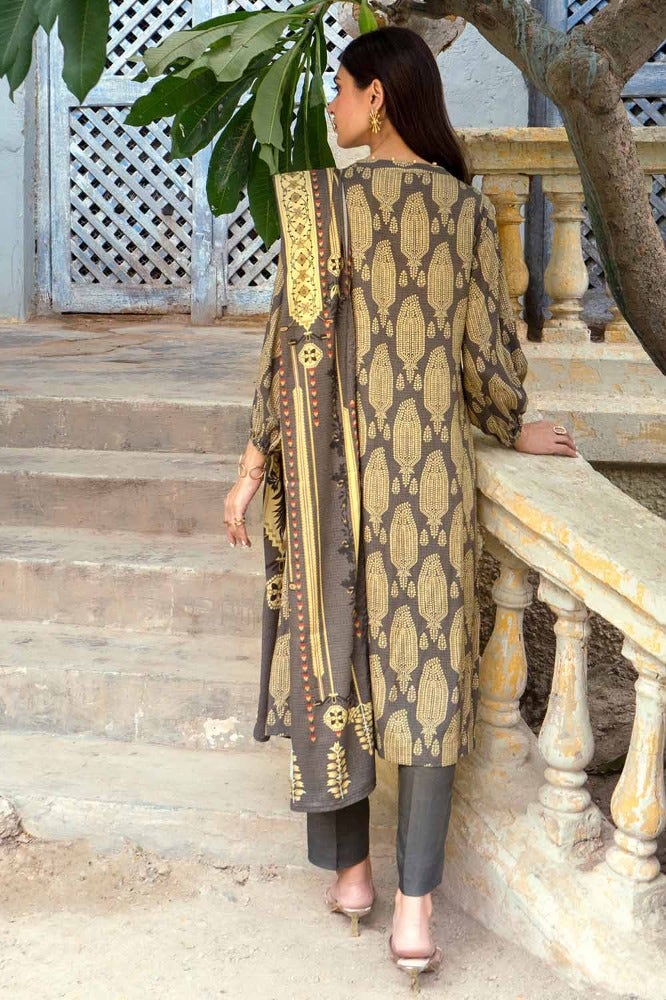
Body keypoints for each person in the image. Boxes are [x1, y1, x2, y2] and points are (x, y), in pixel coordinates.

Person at [224, 25, 577, 989]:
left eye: (341, 90)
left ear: (377, 97)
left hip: (332, 480)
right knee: (427, 675)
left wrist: (252, 468)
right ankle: (414, 911)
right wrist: (512, 425)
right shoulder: (463, 210)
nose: (332, 106)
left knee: (331, 654)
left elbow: (282, 352)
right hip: (427, 480)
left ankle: (352, 876)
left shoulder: (321, 210)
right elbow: (488, 356)